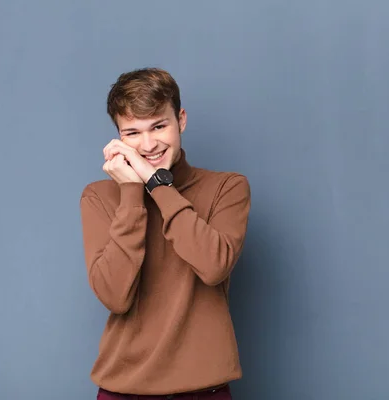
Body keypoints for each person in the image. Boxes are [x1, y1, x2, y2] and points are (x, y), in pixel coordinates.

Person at [79, 67, 251, 399]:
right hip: (123, 390)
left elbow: (213, 265)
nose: (148, 144)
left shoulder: (227, 188)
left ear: (181, 120)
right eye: (132, 133)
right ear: (118, 136)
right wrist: (131, 193)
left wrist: (157, 184)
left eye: (159, 126)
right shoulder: (99, 196)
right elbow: (115, 296)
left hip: (205, 388)